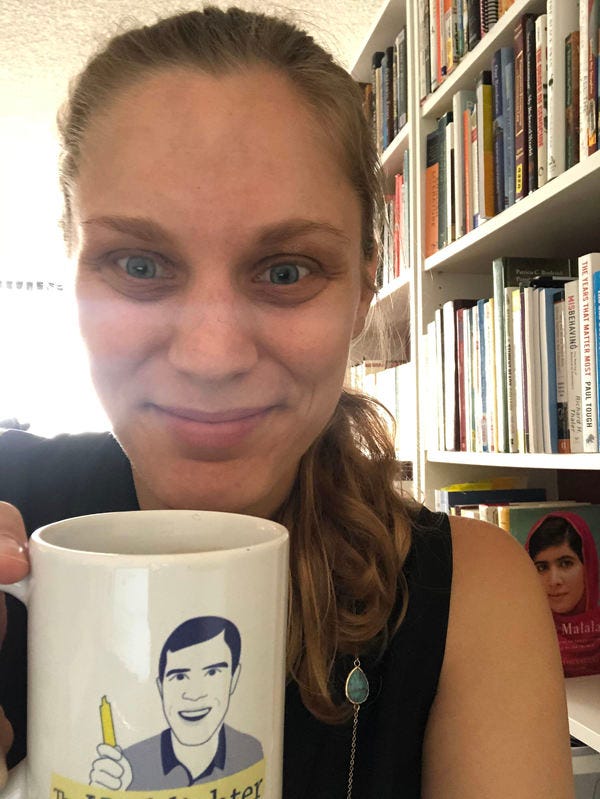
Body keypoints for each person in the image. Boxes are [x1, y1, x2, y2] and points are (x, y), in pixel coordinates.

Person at [0, 6, 575, 797]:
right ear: (69, 266)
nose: (211, 357)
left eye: (284, 271)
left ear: (364, 288)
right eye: (138, 265)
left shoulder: (469, 595)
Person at [89, 616, 263, 790]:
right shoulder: (125, 769)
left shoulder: (250, 752)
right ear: (161, 688)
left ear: (233, 679)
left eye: (212, 673)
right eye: (179, 676)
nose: (194, 695)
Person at [527, 511, 600, 678]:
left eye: (566, 563)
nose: (554, 581)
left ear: (587, 568)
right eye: (541, 567)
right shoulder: (519, 633)